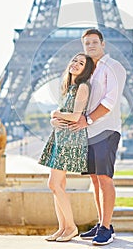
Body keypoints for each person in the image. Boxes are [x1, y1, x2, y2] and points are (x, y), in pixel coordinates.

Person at [70, 28, 126, 246]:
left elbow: (110, 102)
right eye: (87, 43)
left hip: (106, 129)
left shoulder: (113, 67)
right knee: (94, 179)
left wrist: (88, 120)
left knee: (104, 178)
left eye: (94, 42)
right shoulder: (89, 71)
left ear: (103, 44)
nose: (91, 46)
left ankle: (106, 228)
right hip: (90, 131)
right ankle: (102, 223)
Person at [38, 52, 94, 242]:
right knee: (58, 185)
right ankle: (62, 228)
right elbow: (63, 115)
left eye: (81, 63)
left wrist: (54, 114)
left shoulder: (83, 87)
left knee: (53, 184)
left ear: (85, 69)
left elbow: (76, 116)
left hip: (70, 140)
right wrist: (54, 121)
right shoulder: (68, 87)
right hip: (60, 138)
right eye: (74, 61)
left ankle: (70, 227)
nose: (76, 64)